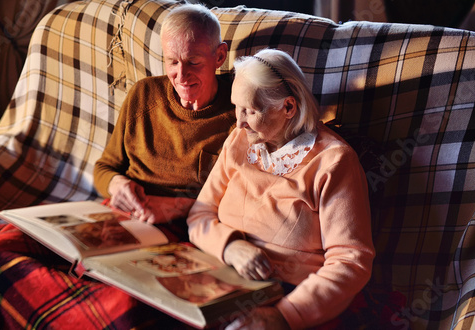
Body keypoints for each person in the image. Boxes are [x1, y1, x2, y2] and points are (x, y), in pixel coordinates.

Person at [187, 49, 375, 329]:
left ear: (288, 108)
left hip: (289, 299)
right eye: (236, 108)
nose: (238, 122)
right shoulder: (239, 140)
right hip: (219, 277)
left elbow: (350, 261)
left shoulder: (334, 161)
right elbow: (199, 215)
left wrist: (285, 316)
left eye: (249, 111)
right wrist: (231, 247)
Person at [93, 3, 235, 225]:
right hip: (124, 216)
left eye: (193, 62)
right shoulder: (143, 94)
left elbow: (241, 199)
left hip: (185, 227)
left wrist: (175, 207)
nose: (181, 75)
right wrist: (117, 185)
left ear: (219, 56)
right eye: (172, 62)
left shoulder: (239, 112)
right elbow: (104, 168)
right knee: (24, 237)